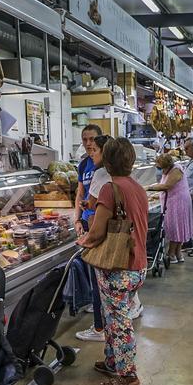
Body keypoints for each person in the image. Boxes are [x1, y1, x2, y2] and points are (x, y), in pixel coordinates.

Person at [77, 137, 148, 385]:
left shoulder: (110, 188)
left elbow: (96, 233)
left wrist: (84, 241)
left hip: (117, 267)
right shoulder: (137, 187)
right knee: (113, 316)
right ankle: (111, 361)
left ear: (107, 161)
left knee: (119, 322)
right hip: (137, 264)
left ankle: (128, 376)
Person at [74, 127, 107, 342]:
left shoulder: (103, 168)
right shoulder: (84, 164)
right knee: (97, 276)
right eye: (85, 139)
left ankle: (99, 327)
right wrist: (77, 219)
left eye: (92, 140)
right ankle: (100, 320)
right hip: (88, 223)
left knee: (101, 277)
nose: (88, 144)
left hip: (100, 227)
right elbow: (80, 193)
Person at [147, 153, 192, 264]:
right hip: (172, 200)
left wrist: (148, 188)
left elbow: (167, 186)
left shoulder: (176, 169)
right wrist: (157, 195)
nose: (160, 170)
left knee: (175, 228)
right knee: (177, 228)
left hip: (177, 203)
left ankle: (171, 254)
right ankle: (178, 254)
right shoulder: (169, 170)